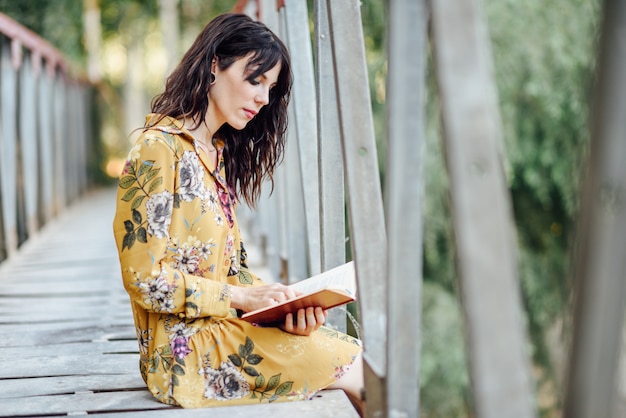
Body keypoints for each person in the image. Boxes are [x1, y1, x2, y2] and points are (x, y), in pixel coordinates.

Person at [112, 13, 363, 413]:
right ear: (214, 65)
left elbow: (232, 272)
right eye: (255, 80)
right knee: (360, 369)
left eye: (271, 87)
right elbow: (144, 279)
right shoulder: (158, 149)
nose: (264, 99)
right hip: (183, 355)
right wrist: (242, 296)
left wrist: (281, 306)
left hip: (224, 330)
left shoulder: (215, 154)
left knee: (354, 351)